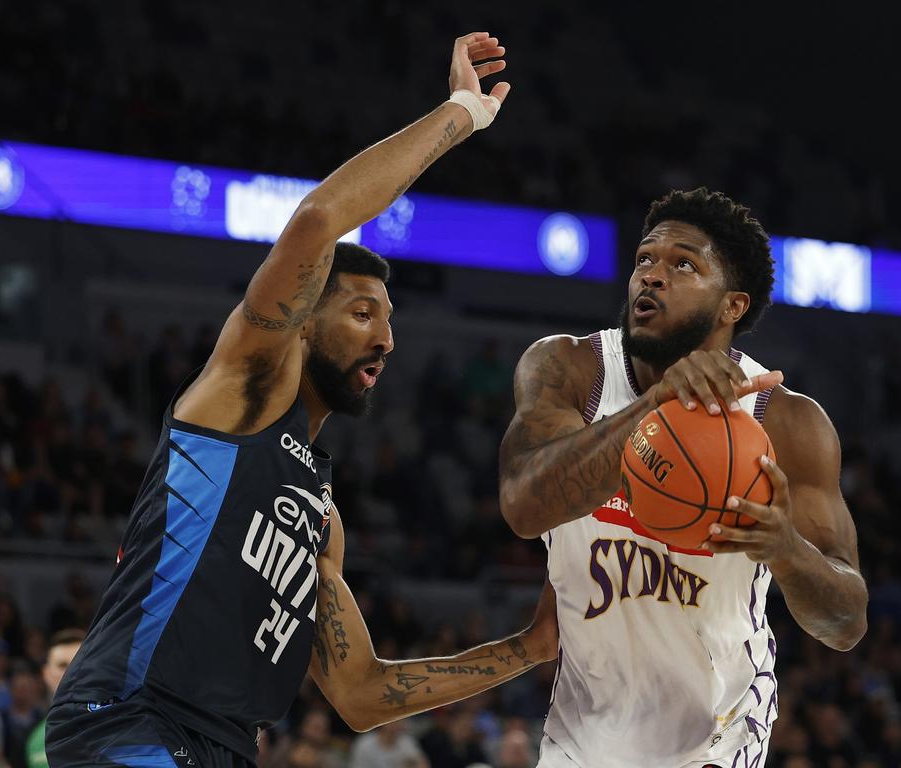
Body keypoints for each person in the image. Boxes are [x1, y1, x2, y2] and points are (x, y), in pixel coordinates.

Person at [47, 32, 558, 768]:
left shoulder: (321, 514)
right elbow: (319, 220)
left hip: (223, 748)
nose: (384, 339)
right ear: (300, 320)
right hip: (129, 721)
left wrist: (530, 648)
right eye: (361, 315)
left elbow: (360, 693)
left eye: (390, 322)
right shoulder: (241, 396)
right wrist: (462, 114)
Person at [498, 187, 869, 768]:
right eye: (644, 259)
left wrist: (785, 548)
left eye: (683, 264)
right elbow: (524, 507)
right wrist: (655, 408)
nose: (652, 276)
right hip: (583, 736)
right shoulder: (568, 368)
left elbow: (846, 622)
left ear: (732, 307)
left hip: (720, 734)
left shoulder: (788, 422)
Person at [26, 629, 85, 768]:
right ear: (46, 673)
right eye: (62, 666)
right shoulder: (36, 741)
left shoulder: (121, 725)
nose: (71, 672)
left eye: (78, 662)